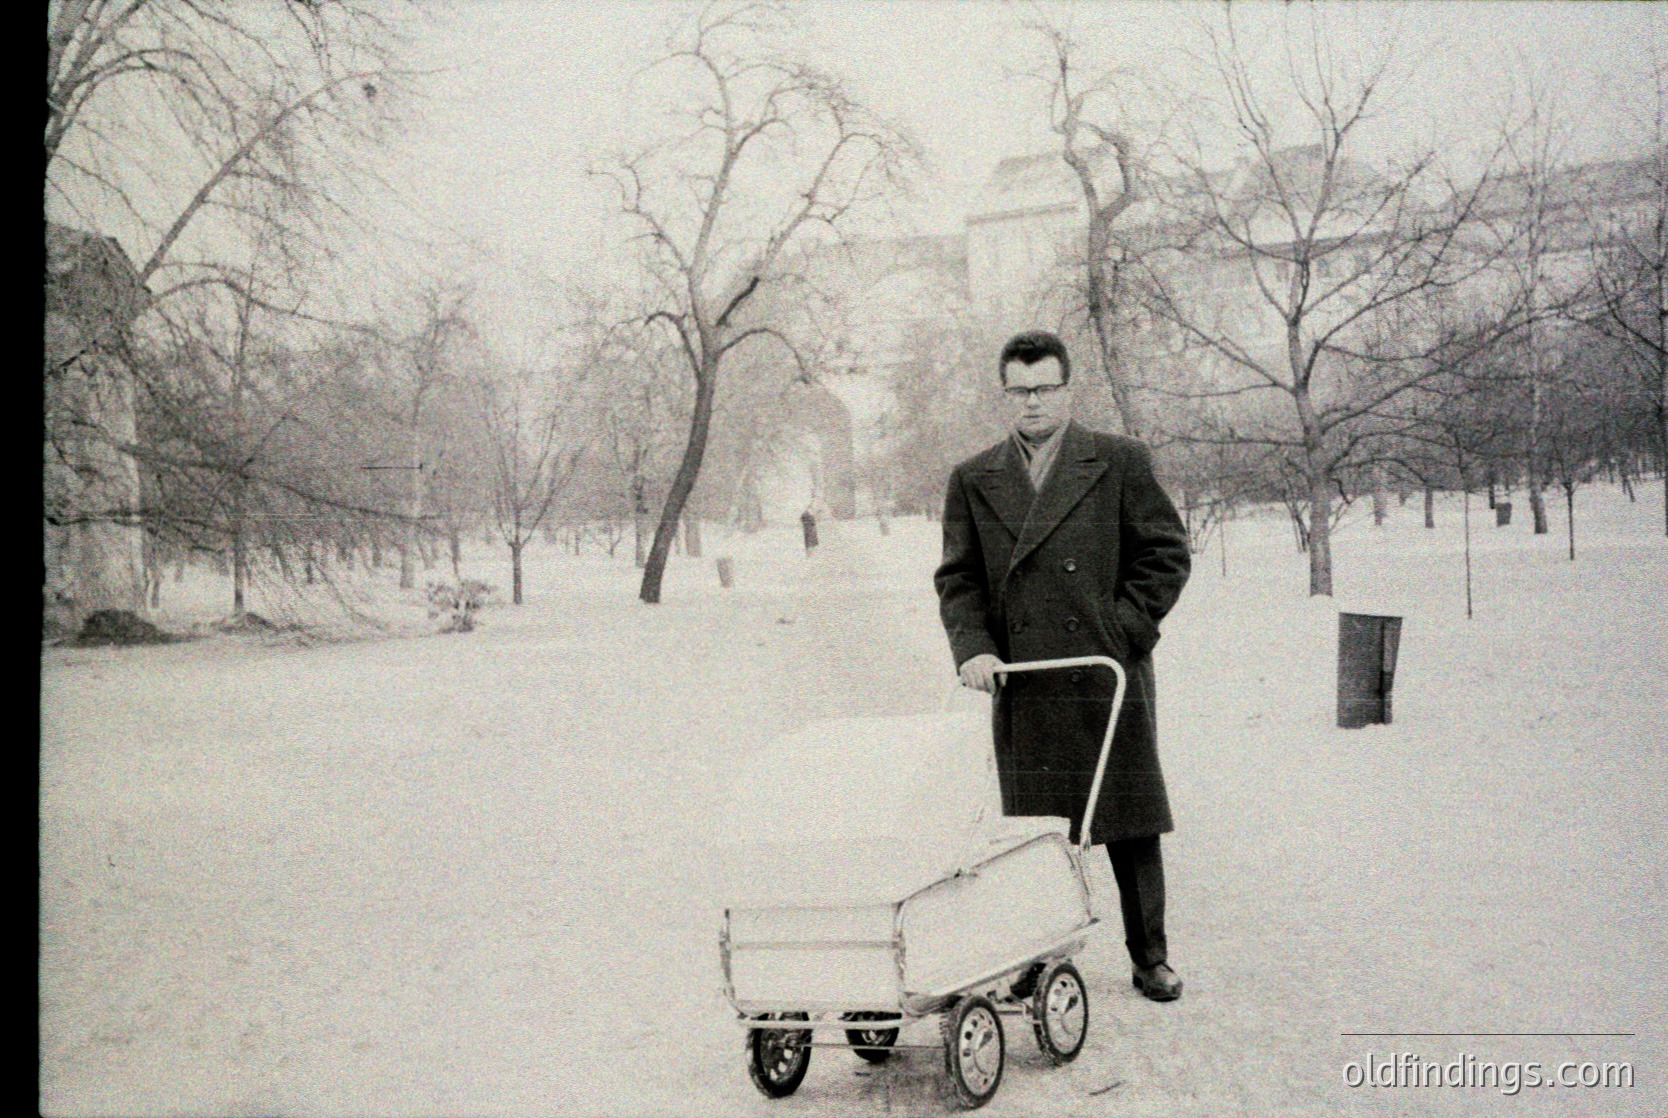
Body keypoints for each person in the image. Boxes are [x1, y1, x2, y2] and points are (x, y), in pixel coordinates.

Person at [933, 330, 1192, 1002]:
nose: (1033, 402)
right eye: (1020, 391)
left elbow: (1165, 555)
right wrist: (975, 649)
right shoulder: (973, 478)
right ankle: (1034, 955)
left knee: (1129, 819)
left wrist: (1123, 631)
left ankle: (1150, 955)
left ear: (1067, 389)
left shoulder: (1119, 461)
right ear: (1004, 395)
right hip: (1024, 679)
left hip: (1103, 670)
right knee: (1034, 828)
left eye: (1046, 387)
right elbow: (959, 580)